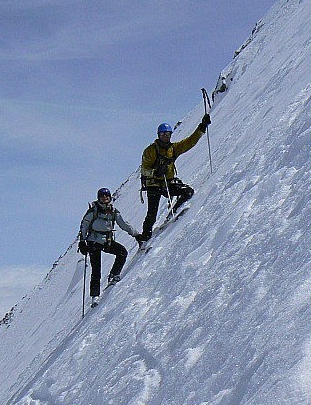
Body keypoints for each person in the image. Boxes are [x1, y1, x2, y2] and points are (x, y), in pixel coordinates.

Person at [139, 114, 211, 243]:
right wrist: (155, 172)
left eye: (167, 134)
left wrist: (202, 127)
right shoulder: (150, 151)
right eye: (163, 134)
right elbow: (144, 169)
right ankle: (144, 238)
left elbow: (189, 142)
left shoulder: (173, 149)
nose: (165, 136)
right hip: (153, 185)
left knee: (187, 192)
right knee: (151, 214)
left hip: (168, 182)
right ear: (158, 135)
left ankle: (174, 212)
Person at [78, 187, 141, 307]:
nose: (105, 198)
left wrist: (136, 234)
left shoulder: (113, 212)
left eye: (107, 196)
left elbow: (123, 224)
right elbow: (84, 226)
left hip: (106, 240)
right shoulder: (93, 212)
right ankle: (94, 296)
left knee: (122, 252)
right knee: (96, 269)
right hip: (93, 242)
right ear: (99, 198)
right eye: (102, 196)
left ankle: (113, 275)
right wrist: (82, 242)